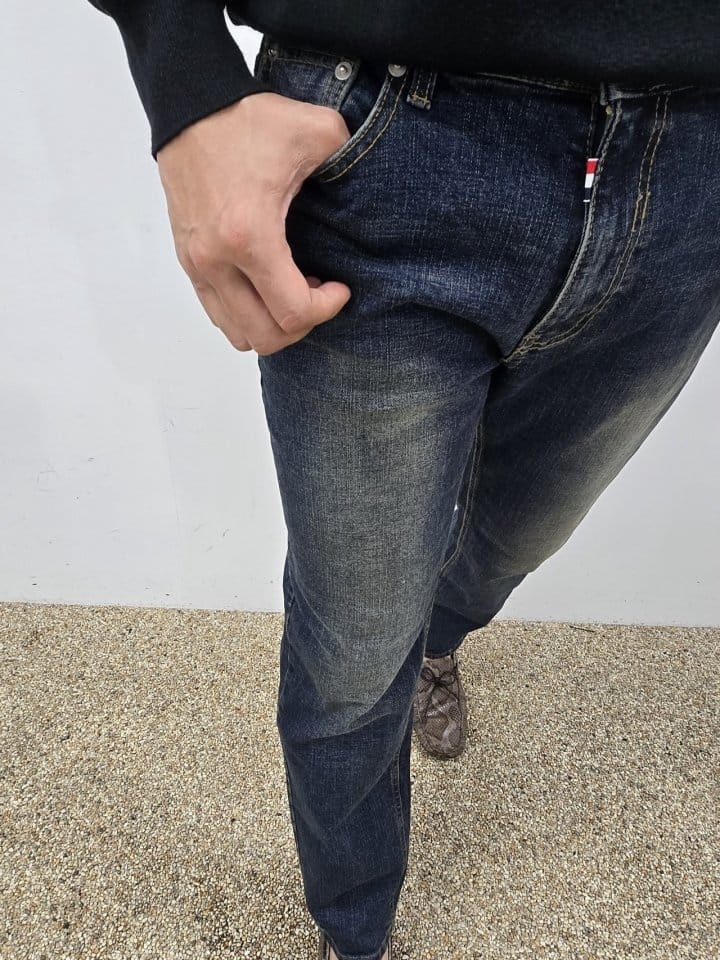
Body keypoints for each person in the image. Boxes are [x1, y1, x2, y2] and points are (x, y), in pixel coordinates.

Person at [84, 3, 720, 958]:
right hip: (382, 133)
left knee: (523, 536)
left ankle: (439, 643)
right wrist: (183, 82)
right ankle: (354, 930)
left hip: (693, 167)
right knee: (353, 642)